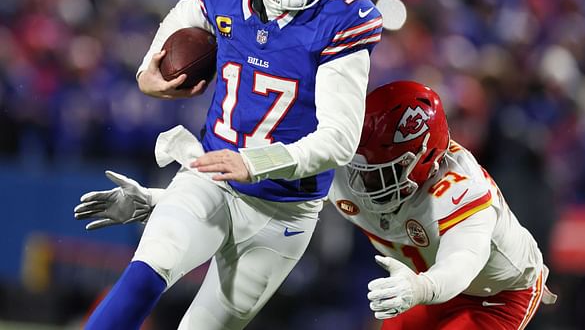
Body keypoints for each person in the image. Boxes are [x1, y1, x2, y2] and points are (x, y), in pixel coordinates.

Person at [79, 0, 382, 330]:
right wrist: (149, 69)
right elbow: (185, 16)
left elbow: (338, 140)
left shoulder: (343, 21)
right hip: (209, 176)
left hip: (285, 213)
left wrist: (253, 162)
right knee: (146, 273)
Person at [77, 81, 556, 329]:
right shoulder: (350, 169)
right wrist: (160, 202)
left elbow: (462, 266)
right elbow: (249, 203)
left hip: (496, 291)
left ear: (423, 159)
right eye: (361, 168)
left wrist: (418, 289)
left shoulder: (460, 189)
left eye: (383, 172)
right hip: (421, 281)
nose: (364, 185)